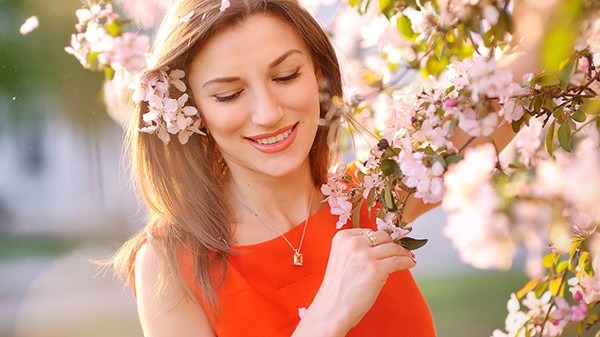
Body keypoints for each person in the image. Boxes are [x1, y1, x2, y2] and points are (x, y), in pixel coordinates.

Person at [111, 0, 548, 335]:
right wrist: (328, 315)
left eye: (285, 76)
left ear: (318, 74)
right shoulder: (171, 264)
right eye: (228, 94)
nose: (268, 113)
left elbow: (534, 64)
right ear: (191, 111)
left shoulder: (376, 192)